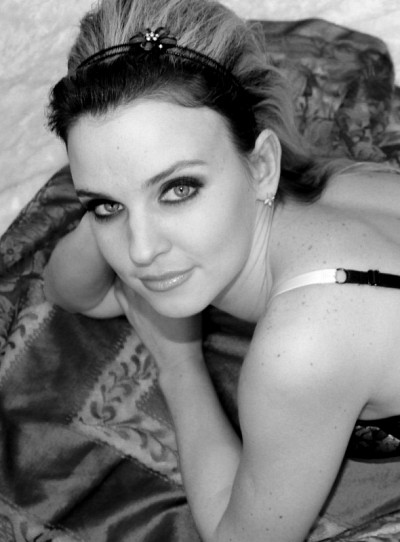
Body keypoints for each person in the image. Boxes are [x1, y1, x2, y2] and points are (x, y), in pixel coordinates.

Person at [43, 0, 400, 540]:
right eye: (103, 205)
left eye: (178, 189)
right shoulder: (317, 188)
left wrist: (178, 364)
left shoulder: (305, 346)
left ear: (262, 165)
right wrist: (126, 185)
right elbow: (70, 291)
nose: (141, 250)